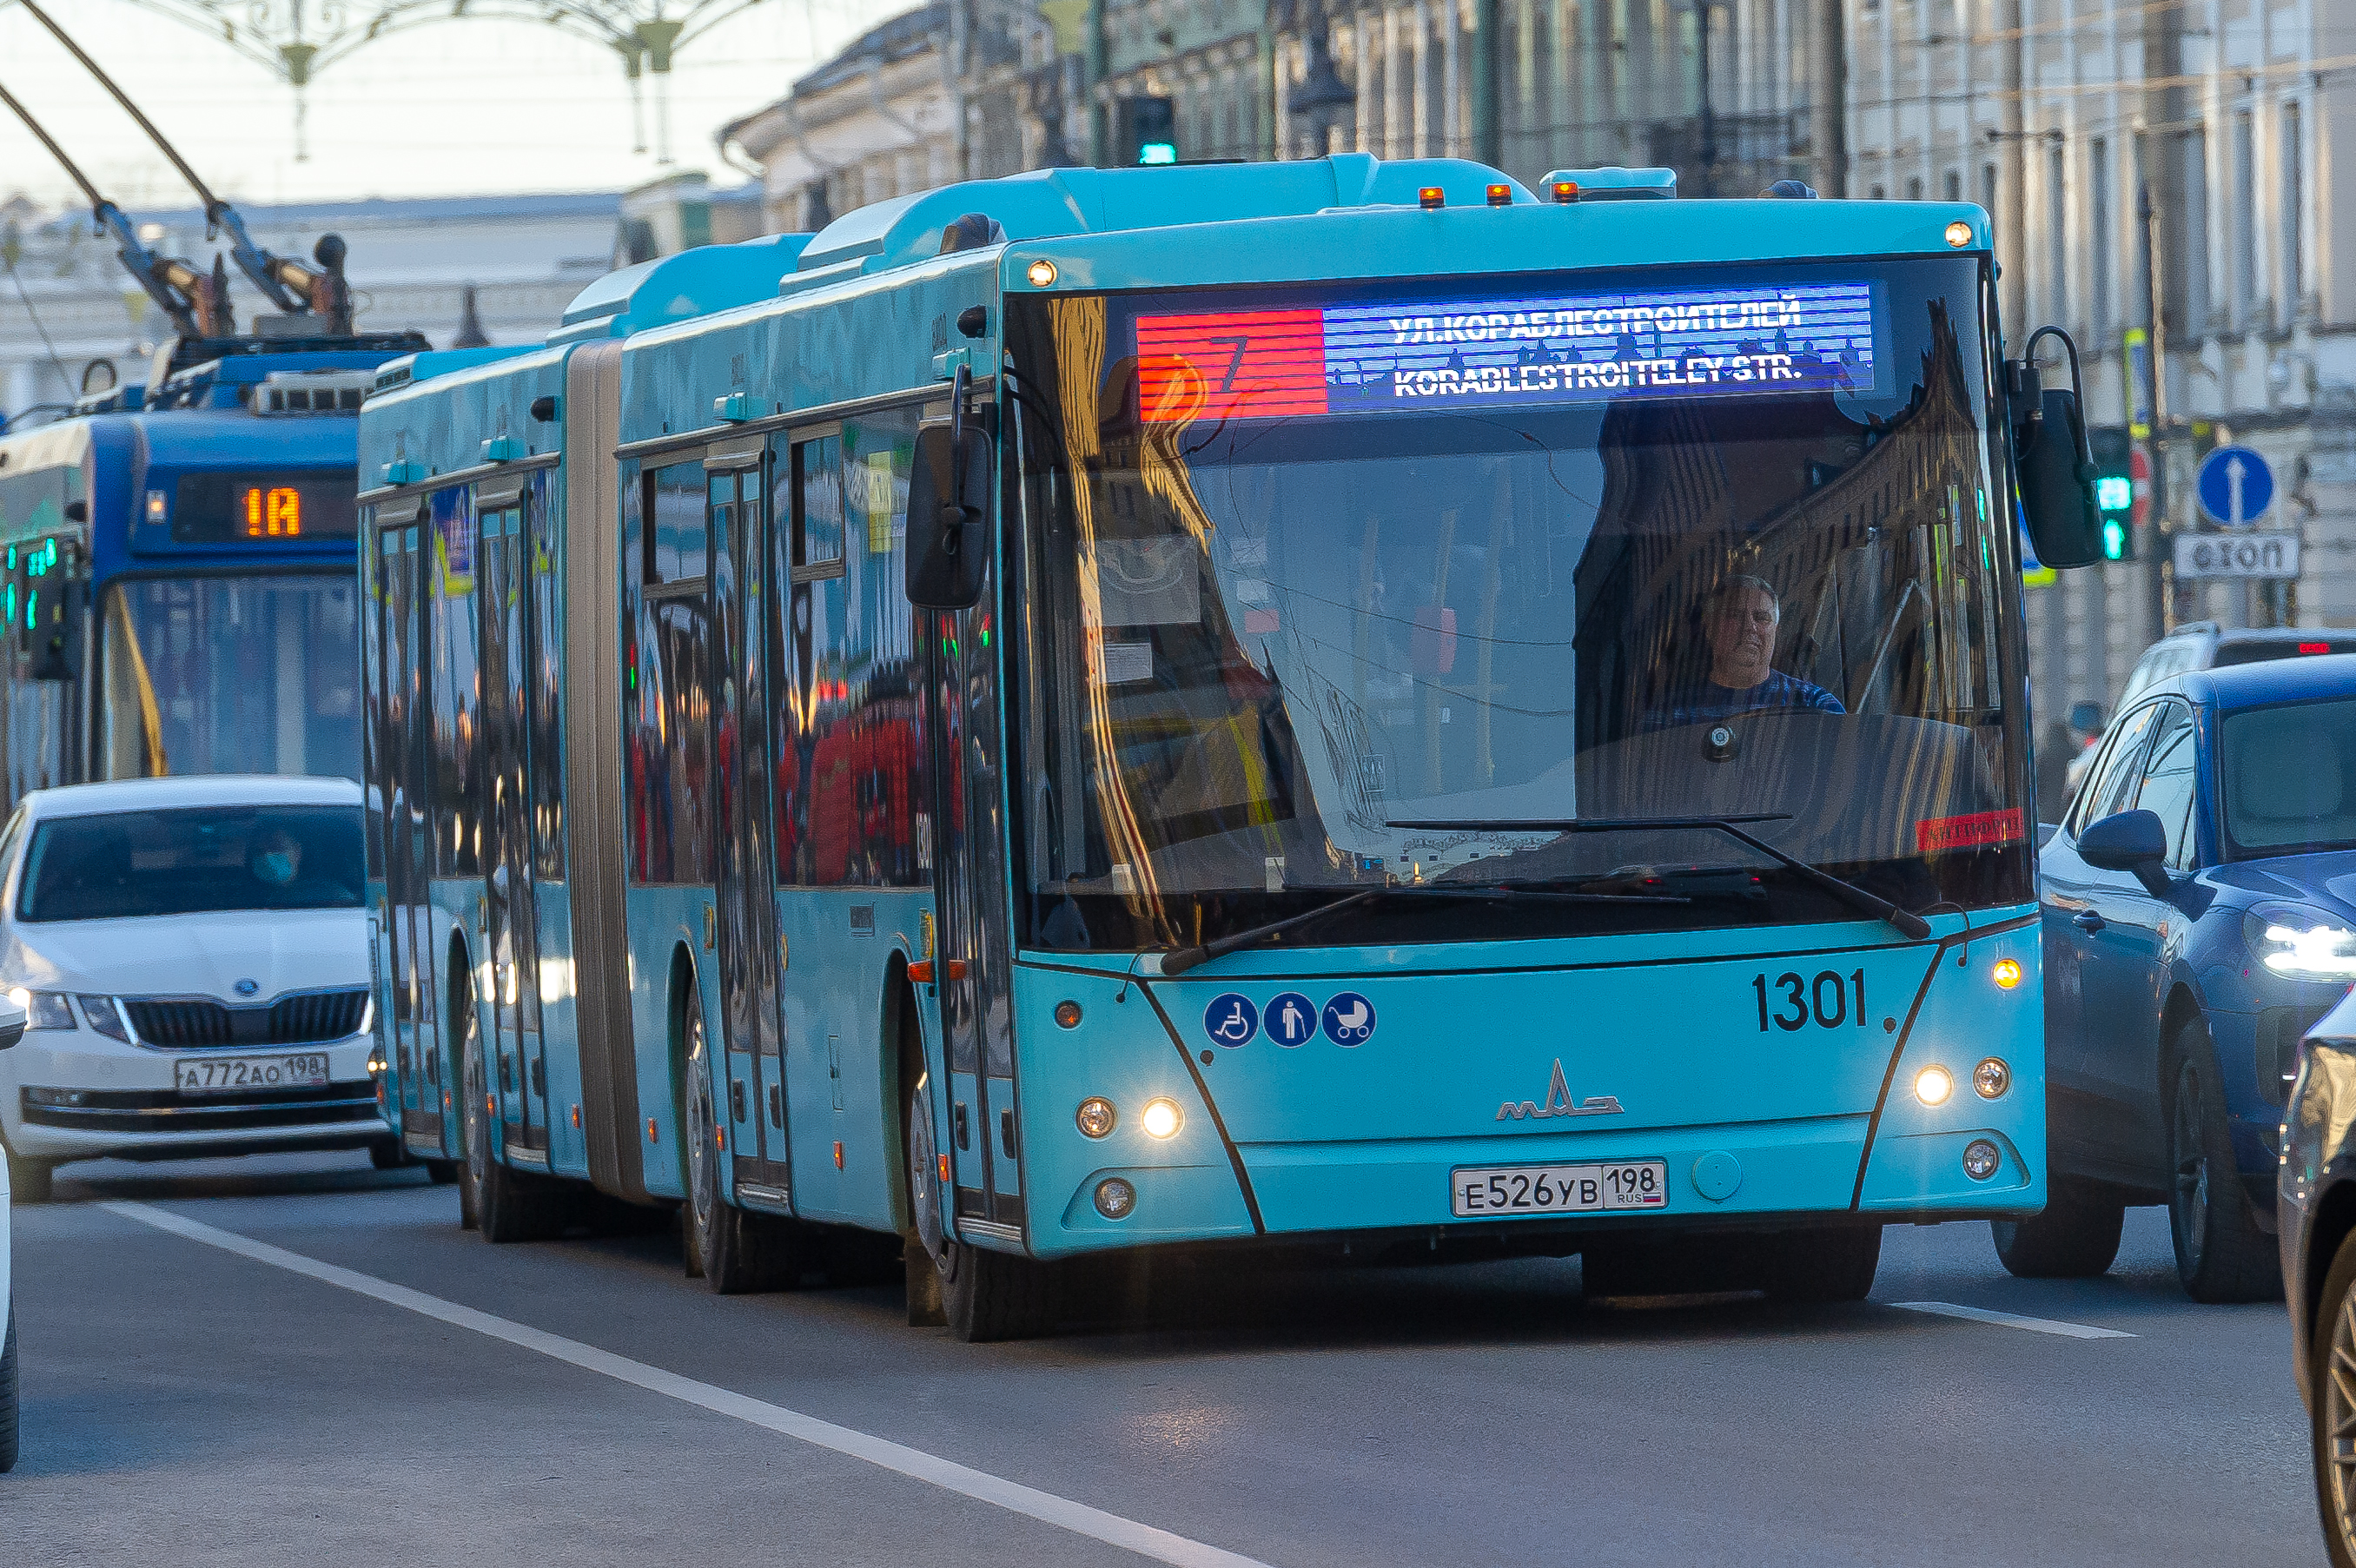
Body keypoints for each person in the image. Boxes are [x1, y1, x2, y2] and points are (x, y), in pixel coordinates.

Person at [1646, 575, 1844, 731]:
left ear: (1775, 631)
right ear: (1709, 628)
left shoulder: (1815, 703)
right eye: (1734, 615)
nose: (1750, 627)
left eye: (1761, 617)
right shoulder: (1670, 712)